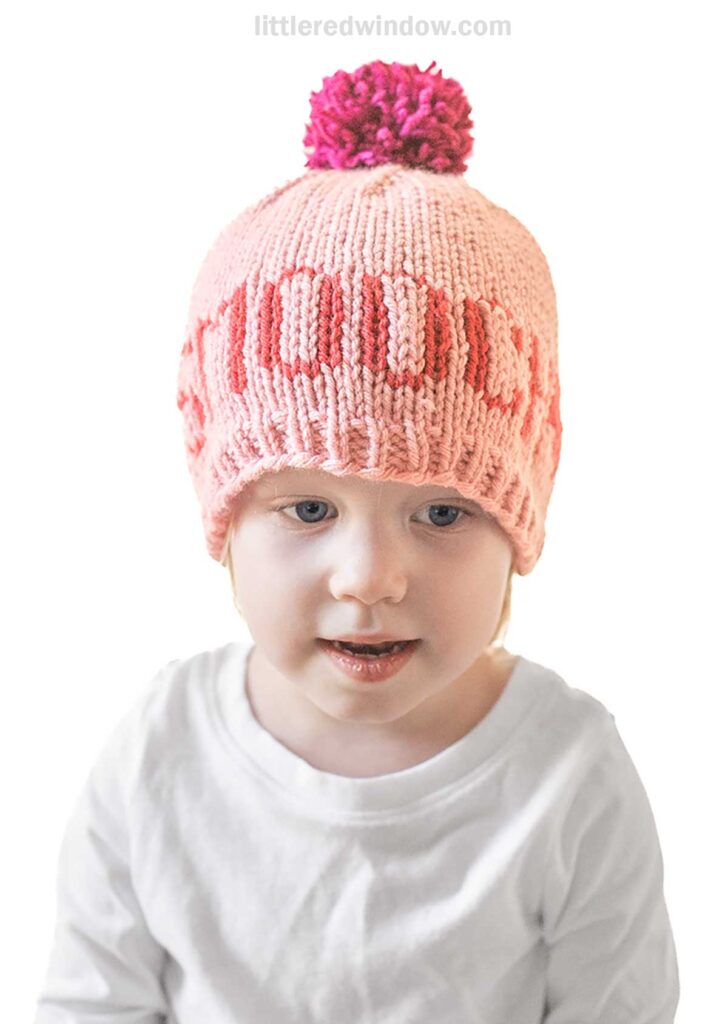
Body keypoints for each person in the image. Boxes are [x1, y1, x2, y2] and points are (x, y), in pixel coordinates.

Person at [34, 59, 680, 1023]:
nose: (370, 578)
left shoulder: (567, 774)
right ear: (226, 520)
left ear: (518, 524)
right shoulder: (159, 753)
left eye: (443, 513)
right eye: (307, 510)